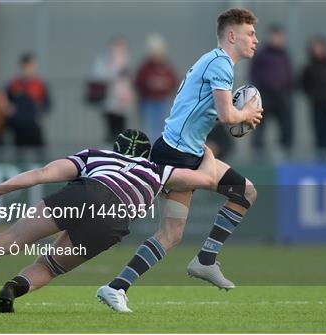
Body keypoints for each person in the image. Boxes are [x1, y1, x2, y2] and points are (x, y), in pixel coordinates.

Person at [0, 129, 217, 314]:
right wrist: (204, 148)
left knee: (13, 237)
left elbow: (42, 174)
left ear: (117, 146)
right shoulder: (157, 172)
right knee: (49, 267)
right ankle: (12, 289)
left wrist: (0, 188)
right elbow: (206, 178)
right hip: (116, 218)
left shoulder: (96, 155)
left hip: (88, 191)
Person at [100, 8, 263, 312]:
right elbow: (229, 117)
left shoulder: (214, 61)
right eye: (250, 33)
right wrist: (247, 115)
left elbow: (206, 114)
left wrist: (236, 119)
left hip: (189, 152)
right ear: (232, 35)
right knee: (172, 233)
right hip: (175, 156)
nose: (256, 39)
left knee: (243, 193)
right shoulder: (221, 64)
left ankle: (204, 260)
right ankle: (117, 286)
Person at [249, 24, 293, 161]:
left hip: (281, 96)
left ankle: (283, 152)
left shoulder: (284, 55)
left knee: (286, 125)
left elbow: (289, 74)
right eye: (274, 36)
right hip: (265, 96)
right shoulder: (262, 54)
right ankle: (258, 153)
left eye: (279, 36)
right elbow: (254, 73)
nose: (277, 39)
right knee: (260, 124)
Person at [135, 34, 179, 141]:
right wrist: (151, 84)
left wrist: (164, 84)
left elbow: (174, 82)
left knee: (162, 129)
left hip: (163, 102)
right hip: (148, 102)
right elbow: (138, 82)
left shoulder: (167, 67)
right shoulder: (145, 67)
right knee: (150, 129)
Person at [90, 37, 135, 142]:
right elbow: (98, 76)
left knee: (121, 129)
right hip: (109, 100)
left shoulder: (126, 61)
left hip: (123, 102)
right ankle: (110, 150)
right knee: (111, 128)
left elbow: (129, 80)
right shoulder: (104, 60)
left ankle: (119, 152)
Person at [6, 52, 51, 152]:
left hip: (34, 125)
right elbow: (7, 101)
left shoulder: (39, 84)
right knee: (19, 152)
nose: (29, 69)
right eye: (26, 66)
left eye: (31, 65)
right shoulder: (14, 84)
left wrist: (40, 114)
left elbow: (47, 103)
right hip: (18, 126)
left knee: (40, 152)